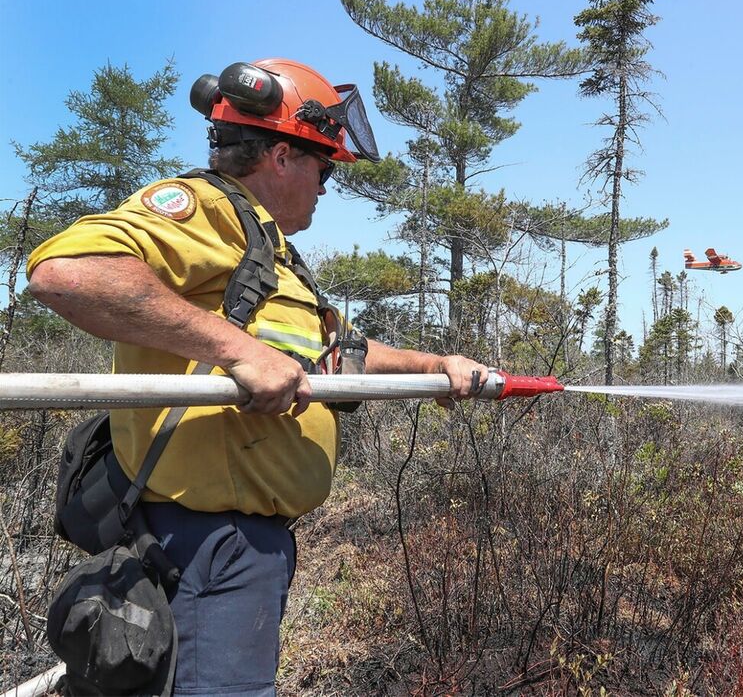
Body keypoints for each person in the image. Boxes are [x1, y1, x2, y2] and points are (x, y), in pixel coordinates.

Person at [27, 58, 487, 696]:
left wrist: (438, 367)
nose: (326, 186)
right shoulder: (207, 210)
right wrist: (237, 350)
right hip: (203, 542)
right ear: (281, 156)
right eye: (323, 168)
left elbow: (337, 354)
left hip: (242, 546)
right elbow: (66, 272)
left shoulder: (269, 253)